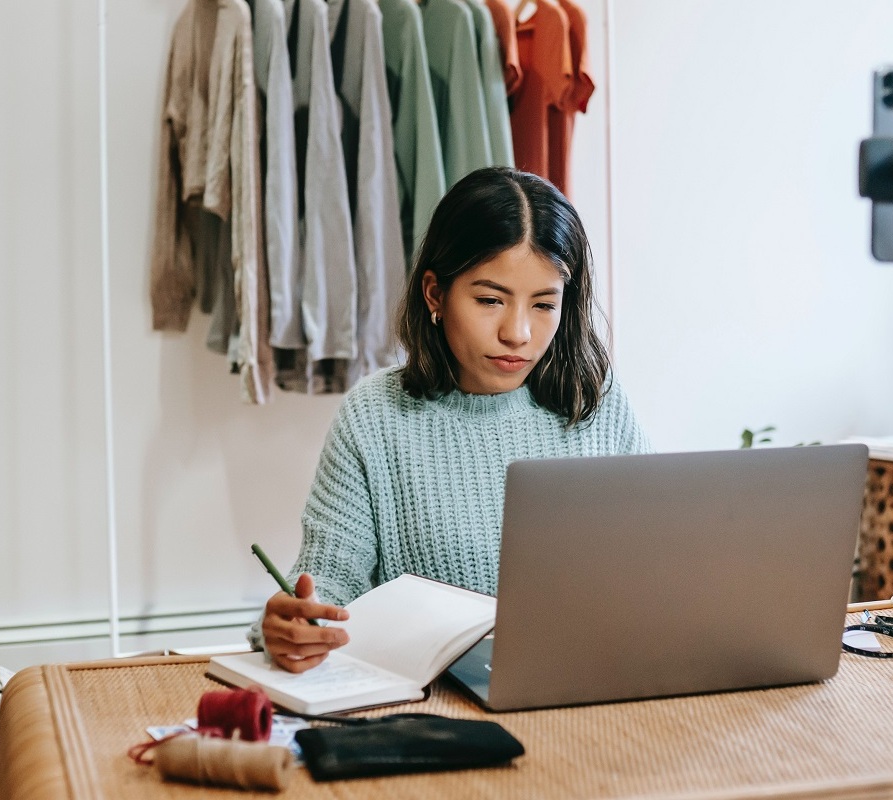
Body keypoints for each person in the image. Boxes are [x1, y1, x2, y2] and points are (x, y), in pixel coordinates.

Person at [257, 167, 651, 672]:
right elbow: (327, 586)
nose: (518, 333)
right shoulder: (373, 417)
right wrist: (295, 627)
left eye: (544, 304)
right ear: (435, 294)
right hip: (437, 708)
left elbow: (655, 566)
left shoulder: (594, 397)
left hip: (593, 685)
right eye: (490, 300)